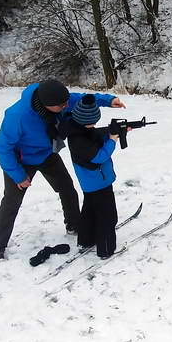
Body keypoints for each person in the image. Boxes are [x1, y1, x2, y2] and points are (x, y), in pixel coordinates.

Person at [0, 80, 124, 261]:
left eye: (66, 102)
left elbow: (81, 99)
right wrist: (18, 175)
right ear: (47, 104)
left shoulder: (58, 99)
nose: (66, 106)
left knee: (67, 188)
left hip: (46, 155)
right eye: (62, 105)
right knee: (11, 202)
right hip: (20, 161)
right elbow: (2, 148)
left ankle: (74, 225)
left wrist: (109, 100)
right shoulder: (17, 116)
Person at [62, 95, 130, 259]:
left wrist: (113, 132)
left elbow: (94, 136)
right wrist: (112, 140)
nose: (94, 126)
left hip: (91, 183)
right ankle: (106, 249)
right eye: (92, 123)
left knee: (90, 212)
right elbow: (99, 156)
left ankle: (85, 241)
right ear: (84, 120)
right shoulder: (79, 139)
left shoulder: (78, 129)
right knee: (107, 216)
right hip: (99, 182)